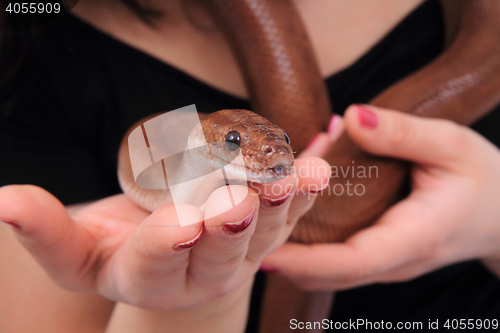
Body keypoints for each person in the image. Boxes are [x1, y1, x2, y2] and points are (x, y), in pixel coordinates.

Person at [0, 0, 499, 332]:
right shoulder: (33, 45)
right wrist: (189, 304)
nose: (275, 157)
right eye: (237, 143)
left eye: (278, 143)